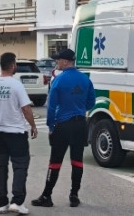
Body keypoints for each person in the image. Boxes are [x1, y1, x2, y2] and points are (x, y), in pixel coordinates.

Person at [31, 49, 95, 209]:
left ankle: (46, 196)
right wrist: (79, 109)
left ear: (65, 62)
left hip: (63, 125)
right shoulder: (85, 79)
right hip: (80, 124)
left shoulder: (58, 80)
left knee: (55, 161)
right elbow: (91, 102)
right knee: (77, 160)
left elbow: (51, 107)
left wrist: (51, 126)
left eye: (58, 60)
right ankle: (74, 196)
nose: (56, 62)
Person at [0, 52, 38, 215]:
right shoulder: (16, 85)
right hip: (16, 132)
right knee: (20, 166)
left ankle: (2, 203)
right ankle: (17, 202)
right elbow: (26, 108)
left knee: (1, 167)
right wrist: (33, 126)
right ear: (12, 65)